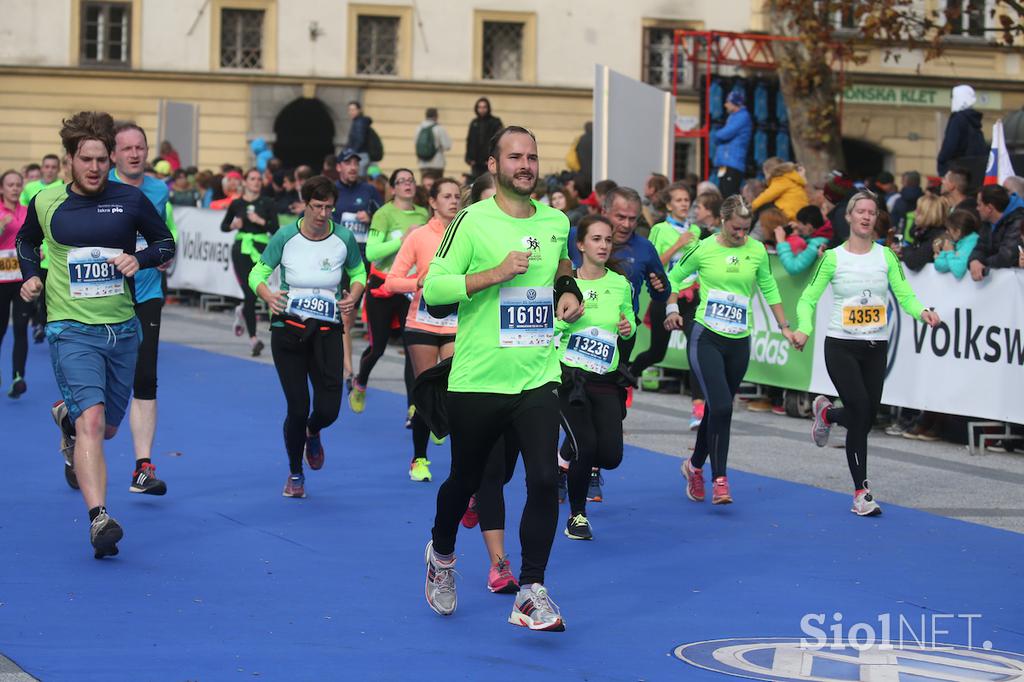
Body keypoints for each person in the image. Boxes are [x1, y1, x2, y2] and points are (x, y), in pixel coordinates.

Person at [421, 125, 582, 631]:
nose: (525, 165)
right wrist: (493, 273)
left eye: (532, 157)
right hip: (479, 378)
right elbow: (435, 291)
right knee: (466, 479)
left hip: (537, 374)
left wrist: (568, 289)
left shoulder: (556, 220)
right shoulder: (471, 220)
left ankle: (531, 590)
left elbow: (560, 263)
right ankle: (442, 554)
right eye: (515, 157)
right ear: (493, 165)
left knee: (541, 478)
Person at [15, 110, 175, 558]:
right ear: (69, 159)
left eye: (102, 160)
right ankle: (99, 518)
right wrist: (31, 275)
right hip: (70, 328)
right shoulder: (47, 201)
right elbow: (27, 241)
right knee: (92, 422)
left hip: (122, 328)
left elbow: (165, 244)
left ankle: (65, 414)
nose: (94, 168)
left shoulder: (130, 200)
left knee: (104, 428)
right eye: (86, 159)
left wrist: (138, 261)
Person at [795, 191, 941, 516]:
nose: (865, 217)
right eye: (860, 211)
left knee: (867, 417)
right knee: (860, 411)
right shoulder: (833, 258)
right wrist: (804, 327)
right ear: (848, 217)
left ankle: (828, 415)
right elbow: (807, 298)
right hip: (841, 346)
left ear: (876, 219)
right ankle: (861, 492)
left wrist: (923, 312)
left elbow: (904, 294)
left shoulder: (886, 257)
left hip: (875, 347)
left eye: (871, 213)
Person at [665, 195, 796, 504]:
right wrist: (672, 306)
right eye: (736, 228)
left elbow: (769, 288)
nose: (742, 234)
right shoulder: (704, 248)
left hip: (739, 340)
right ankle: (720, 480)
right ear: (723, 222)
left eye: (747, 229)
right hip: (706, 336)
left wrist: (784, 326)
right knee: (722, 407)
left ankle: (694, 465)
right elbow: (673, 276)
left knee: (716, 409)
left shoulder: (756, 250)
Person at [250, 176, 366, 498]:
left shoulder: (343, 238)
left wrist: (354, 293)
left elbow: (359, 273)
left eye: (329, 207)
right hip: (288, 329)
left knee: (328, 409)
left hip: (327, 330)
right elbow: (257, 273)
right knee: (298, 407)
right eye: (317, 206)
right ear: (305, 204)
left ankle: (313, 432)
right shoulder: (286, 236)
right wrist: (268, 295)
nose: (323, 213)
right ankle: (295, 473)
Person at [109, 121, 177, 497]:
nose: (135, 154)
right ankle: (70, 423)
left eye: (141, 147)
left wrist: (160, 254)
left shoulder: (157, 189)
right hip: (105, 295)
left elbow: (161, 235)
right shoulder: (102, 188)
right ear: (114, 154)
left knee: (145, 377)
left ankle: (142, 468)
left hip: (147, 292)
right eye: (127, 148)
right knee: (103, 387)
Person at [557, 215, 634, 540]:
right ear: (580, 245)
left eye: (608, 240)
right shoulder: (564, 283)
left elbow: (628, 320)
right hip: (570, 377)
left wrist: (628, 328)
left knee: (611, 456)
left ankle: (564, 457)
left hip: (605, 377)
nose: (603, 245)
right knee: (585, 446)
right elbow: (547, 329)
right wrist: (564, 322)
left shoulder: (619, 283)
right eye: (596, 239)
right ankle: (577, 516)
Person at [384, 177, 461, 482]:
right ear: (432, 202)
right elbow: (392, 280)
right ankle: (419, 458)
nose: (453, 201)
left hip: (456, 322)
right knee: (426, 392)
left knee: (456, 390)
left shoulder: (466, 234)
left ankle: (455, 451)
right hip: (422, 323)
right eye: (446, 196)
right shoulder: (419, 236)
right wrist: (417, 281)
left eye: (457, 196)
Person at [350, 168, 429, 415]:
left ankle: (412, 407)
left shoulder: (423, 213)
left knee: (411, 348)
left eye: (410, 180)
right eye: (401, 181)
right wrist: (403, 240)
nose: (407, 184)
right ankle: (361, 382)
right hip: (383, 286)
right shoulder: (383, 214)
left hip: (410, 288)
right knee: (378, 347)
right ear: (393, 188)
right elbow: (372, 253)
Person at [631, 182, 698, 380]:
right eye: (679, 200)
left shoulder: (696, 230)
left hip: (691, 296)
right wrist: (678, 244)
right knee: (657, 353)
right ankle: (628, 377)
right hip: (666, 296)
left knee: (696, 346)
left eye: (687, 200)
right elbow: (652, 263)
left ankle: (699, 402)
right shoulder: (660, 229)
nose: (684, 204)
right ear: (669, 205)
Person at [221, 168, 279, 356]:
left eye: (259, 179)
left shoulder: (268, 202)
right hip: (241, 249)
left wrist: (261, 221)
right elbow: (224, 226)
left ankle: (242, 311)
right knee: (250, 293)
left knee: (258, 291)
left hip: (261, 248)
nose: (256, 182)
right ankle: (254, 339)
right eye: (252, 179)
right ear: (245, 182)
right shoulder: (237, 203)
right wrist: (233, 225)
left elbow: (275, 227)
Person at [0, 169, 30, 397]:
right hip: (1, 280)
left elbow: (31, 240)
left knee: (21, 328)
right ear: (2, 188)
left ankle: (18, 377)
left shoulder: (27, 212)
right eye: (10, 185)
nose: (14, 188)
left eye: (18, 184)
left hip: (21, 279)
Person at [968, 184, 1024, 280]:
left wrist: (983, 264)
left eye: (979, 205)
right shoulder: (987, 222)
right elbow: (980, 246)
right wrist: (974, 261)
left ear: (989, 208)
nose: (977, 208)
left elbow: (1007, 256)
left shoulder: (1018, 221)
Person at [937, 85, 988, 176]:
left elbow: (950, 145)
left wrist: (941, 161)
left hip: (958, 172)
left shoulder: (958, 119)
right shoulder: (974, 121)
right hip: (974, 171)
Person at [711, 91, 753, 198]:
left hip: (733, 163)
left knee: (729, 196)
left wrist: (716, 135)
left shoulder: (742, 117)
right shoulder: (734, 117)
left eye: (728, 102)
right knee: (724, 195)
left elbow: (723, 135)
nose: (725, 105)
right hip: (727, 162)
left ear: (735, 103)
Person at [774, 205, 834, 275]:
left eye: (799, 223)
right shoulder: (824, 235)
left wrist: (781, 242)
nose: (797, 226)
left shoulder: (816, 244)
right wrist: (800, 234)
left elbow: (793, 267)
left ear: (809, 226)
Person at [900, 193, 951, 272]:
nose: (914, 213)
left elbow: (913, 261)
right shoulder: (921, 233)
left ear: (929, 215)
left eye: (919, 211)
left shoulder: (937, 237)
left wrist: (904, 250)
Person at [933, 209, 981, 279]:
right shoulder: (954, 241)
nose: (946, 232)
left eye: (949, 230)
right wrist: (951, 255)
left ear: (958, 232)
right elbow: (939, 265)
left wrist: (949, 252)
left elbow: (959, 271)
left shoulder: (972, 241)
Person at [464, 97, 503, 180]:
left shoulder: (495, 122)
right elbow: (469, 141)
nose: (482, 109)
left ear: (488, 108)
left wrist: (492, 157)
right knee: (477, 184)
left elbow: (499, 141)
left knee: (490, 183)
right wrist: (469, 159)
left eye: (484, 107)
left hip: (489, 161)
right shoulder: (474, 123)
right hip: (476, 163)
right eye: (480, 107)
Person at [415, 108, 452, 176]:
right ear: (436, 116)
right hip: (436, 163)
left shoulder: (419, 128)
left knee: (426, 184)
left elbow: (416, 144)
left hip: (422, 164)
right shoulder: (439, 128)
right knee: (437, 185)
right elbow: (447, 146)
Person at [346, 101, 373, 177]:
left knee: (360, 177)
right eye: (349, 110)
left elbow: (360, 139)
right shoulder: (361, 121)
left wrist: (351, 152)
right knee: (373, 176)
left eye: (353, 110)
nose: (351, 112)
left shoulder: (359, 122)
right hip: (366, 154)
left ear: (359, 110)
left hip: (361, 155)